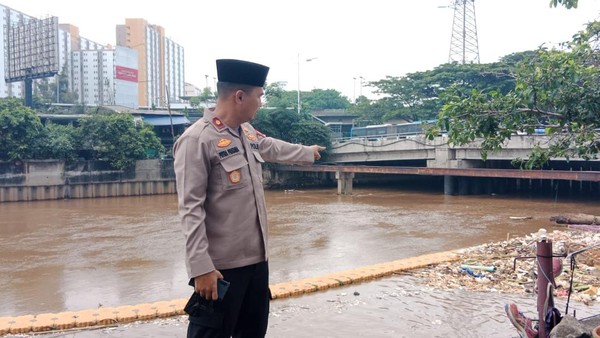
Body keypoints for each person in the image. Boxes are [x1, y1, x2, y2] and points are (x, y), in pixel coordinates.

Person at [173, 58, 325, 338]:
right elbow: (190, 209)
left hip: (257, 263)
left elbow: (268, 146)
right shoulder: (197, 140)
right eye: (259, 96)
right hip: (221, 270)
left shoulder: (245, 132)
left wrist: (306, 152)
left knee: (253, 332)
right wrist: (201, 268)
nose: (261, 103)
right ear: (239, 96)